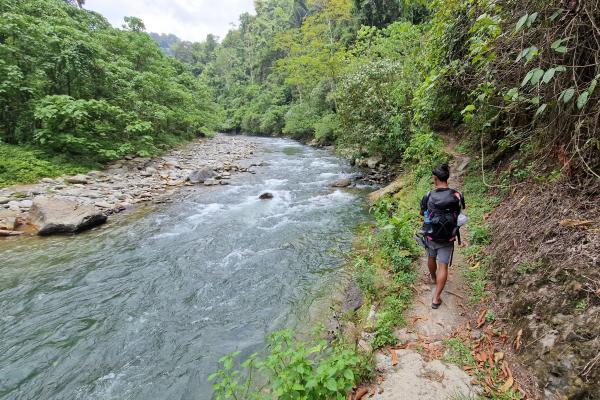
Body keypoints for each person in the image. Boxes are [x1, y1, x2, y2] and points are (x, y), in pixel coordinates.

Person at [419, 164, 465, 309]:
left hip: (432, 235)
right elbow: (460, 212)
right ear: (447, 178)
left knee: (431, 258)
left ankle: (433, 278)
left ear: (435, 178)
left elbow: (422, 213)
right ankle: (436, 298)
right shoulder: (457, 195)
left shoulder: (428, 195)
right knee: (443, 265)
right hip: (448, 237)